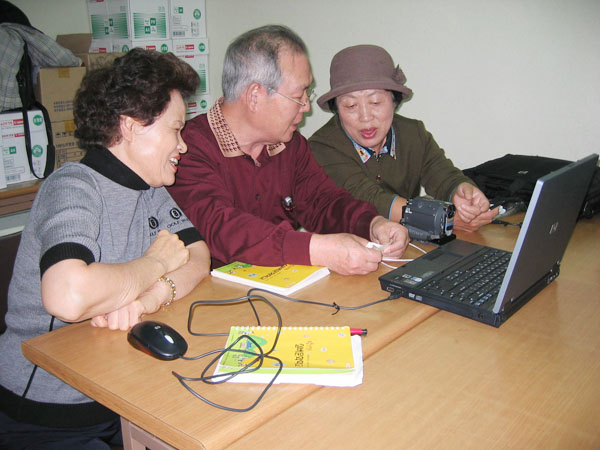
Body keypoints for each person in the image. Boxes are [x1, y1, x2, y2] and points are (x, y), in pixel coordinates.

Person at [0, 49, 211, 449]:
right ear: (131, 126)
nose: (182, 146)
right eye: (176, 129)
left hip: (118, 393)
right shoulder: (72, 186)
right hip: (44, 414)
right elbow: (68, 296)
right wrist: (155, 263)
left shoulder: (150, 189)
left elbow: (198, 255)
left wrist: (151, 297)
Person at [168, 25, 409, 276]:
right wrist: (318, 250)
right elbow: (222, 229)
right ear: (255, 96)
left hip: (278, 286)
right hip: (211, 292)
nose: (306, 106)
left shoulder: (290, 145)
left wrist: (372, 223)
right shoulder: (186, 149)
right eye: (298, 95)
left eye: (307, 93)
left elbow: (323, 201)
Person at [309, 45, 498, 232]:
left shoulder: (413, 134)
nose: (365, 117)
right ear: (336, 109)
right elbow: (368, 198)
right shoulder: (322, 147)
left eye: (375, 102)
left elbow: (443, 175)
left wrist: (462, 192)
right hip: (347, 246)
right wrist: (440, 218)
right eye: (350, 105)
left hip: (405, 243)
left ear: (394, 101)